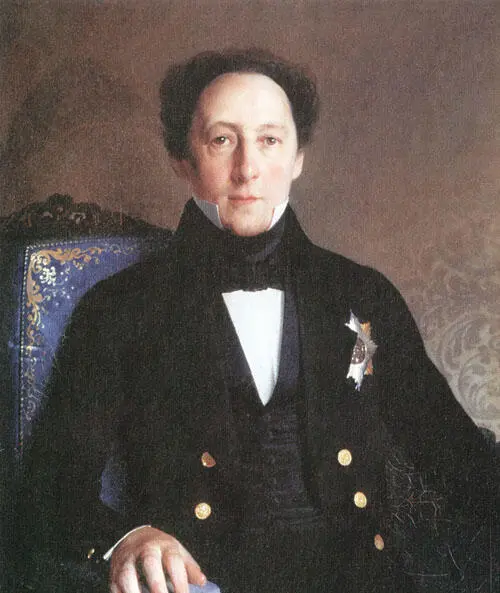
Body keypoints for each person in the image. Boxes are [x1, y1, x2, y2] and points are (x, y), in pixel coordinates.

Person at [19, 48, 498, 593]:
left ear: (297, 158)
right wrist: (125, 538)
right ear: (182, 159)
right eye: (222, 140)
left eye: (269, 140)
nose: (247, 168)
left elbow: (453, 454)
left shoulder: (362, 294)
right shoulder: (122, 308)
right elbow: (49, 491)